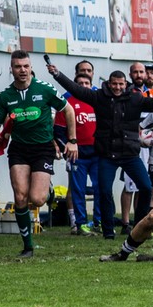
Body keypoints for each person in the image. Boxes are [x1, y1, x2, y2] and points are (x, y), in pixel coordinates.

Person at [46, 62, 153, 241]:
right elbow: (76, 90)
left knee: (146, 188)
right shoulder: (99, 97)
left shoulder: (135, 98)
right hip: (107, 155)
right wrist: (57, 75)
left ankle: (140, 227)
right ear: (109, 84)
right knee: (104, 191)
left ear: (125, 84)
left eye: (120, 84)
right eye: (114, 84)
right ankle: (108, 231)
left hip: (130, 154)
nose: (117, 87)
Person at [0, 51, 77, 258]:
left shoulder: (44, 89)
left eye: (26, 66)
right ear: (11, 69)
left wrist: (72, 141)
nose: (22, 70)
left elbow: (69, 110)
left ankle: (48, 191)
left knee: (37, 199)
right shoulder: (5, 96)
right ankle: (28, 246)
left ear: (31, 68)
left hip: (43, 148)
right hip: (19, 149)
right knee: (20, 196)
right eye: (18, 67)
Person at [53, 72, 100, 236]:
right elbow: (58, 131)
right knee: (77, 190)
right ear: (74, 86)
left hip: (97, 154)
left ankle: (99, 222)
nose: (84, 86)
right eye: (80, 83)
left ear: (91, 85)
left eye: (87, 83)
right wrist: (66, 148)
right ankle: (80, 224)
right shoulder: (66, 103)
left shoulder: (97, 101)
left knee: (101, 188)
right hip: (77, 155)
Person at [119, 61, 152, 233]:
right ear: (130, 74)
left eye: (141, 72)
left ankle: (140, 222)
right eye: (135, 72)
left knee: (143, 185)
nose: (139, 75)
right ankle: (125, 223)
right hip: (131, 146)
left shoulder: (150, 93)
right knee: (129, 186)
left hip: (148, 146)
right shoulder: (126, 92)